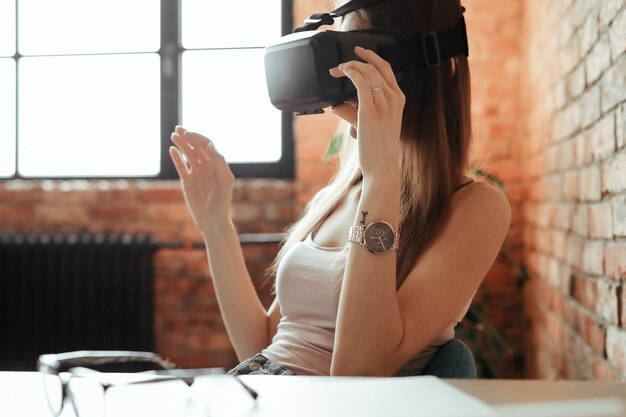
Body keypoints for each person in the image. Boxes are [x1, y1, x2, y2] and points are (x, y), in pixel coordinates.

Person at [168, 0, 511, 377]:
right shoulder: (333, 197)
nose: (336, 74)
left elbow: (357, 371)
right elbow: (261, 346)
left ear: (405, 70)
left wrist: (382, 177)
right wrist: (217, 226)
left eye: (351, 54)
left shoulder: (475, 207)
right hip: (261, 390)